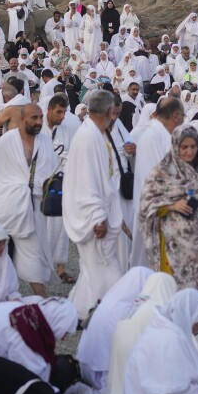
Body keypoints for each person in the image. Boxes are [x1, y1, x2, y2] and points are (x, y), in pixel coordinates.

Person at [65, 89, 131, 320]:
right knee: (105, 267)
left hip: (102, 211)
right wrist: (97, 216)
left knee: (93, 268)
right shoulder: (88, 138)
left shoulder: (96, 134)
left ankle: (82, 309)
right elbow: (86, 182)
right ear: (107, 111)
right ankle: (107, 312)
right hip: (94, 217)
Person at [138, 127, 198, 305]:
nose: (189, 151)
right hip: (175, 246)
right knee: (178, 293)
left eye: (193, 147)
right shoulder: (162, 172)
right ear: (176, 146)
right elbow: (146, 204)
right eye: (184, 147)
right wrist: (171, 205)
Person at [0, 101, 57, 296]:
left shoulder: (46, 142)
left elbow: (52, 172)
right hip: (6, 206)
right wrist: (7, 194)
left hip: (32, 207)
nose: (39, 122)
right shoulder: (6, 142)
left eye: (41, 117)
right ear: (22, 119)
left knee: (33, 256)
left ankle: (43, 299)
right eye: (34, 118)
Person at [122, 289, 198, 394]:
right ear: (189, 317)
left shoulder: (166, 330)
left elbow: (187, 379)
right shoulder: (168, 340)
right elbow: (176, 392)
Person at [0, 297, 79, 385]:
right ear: (56, 322)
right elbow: (32, 380)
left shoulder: (25, 313)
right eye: (65, 332)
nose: (64, 338)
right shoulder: (25, 333)